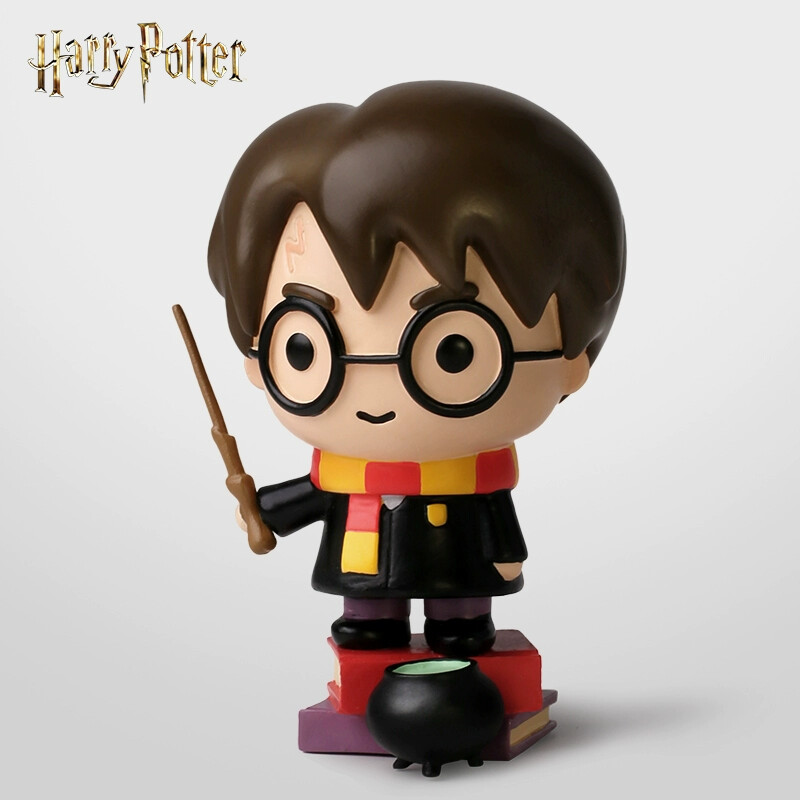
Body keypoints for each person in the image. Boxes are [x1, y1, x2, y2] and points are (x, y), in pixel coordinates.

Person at [207, 81, 626, 656]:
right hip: (360, 557)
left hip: (460, 562)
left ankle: (462, 626)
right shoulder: (342, 472)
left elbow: (494, 514)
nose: (375, 387)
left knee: (462, 615)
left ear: (572, 362)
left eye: (456, 349)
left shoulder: (476, 474)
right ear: (258, 359)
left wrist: (505, 553)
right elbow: (315, 493)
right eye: (304, 347)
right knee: (367, 621)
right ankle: (371, 626)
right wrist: (262, 510)